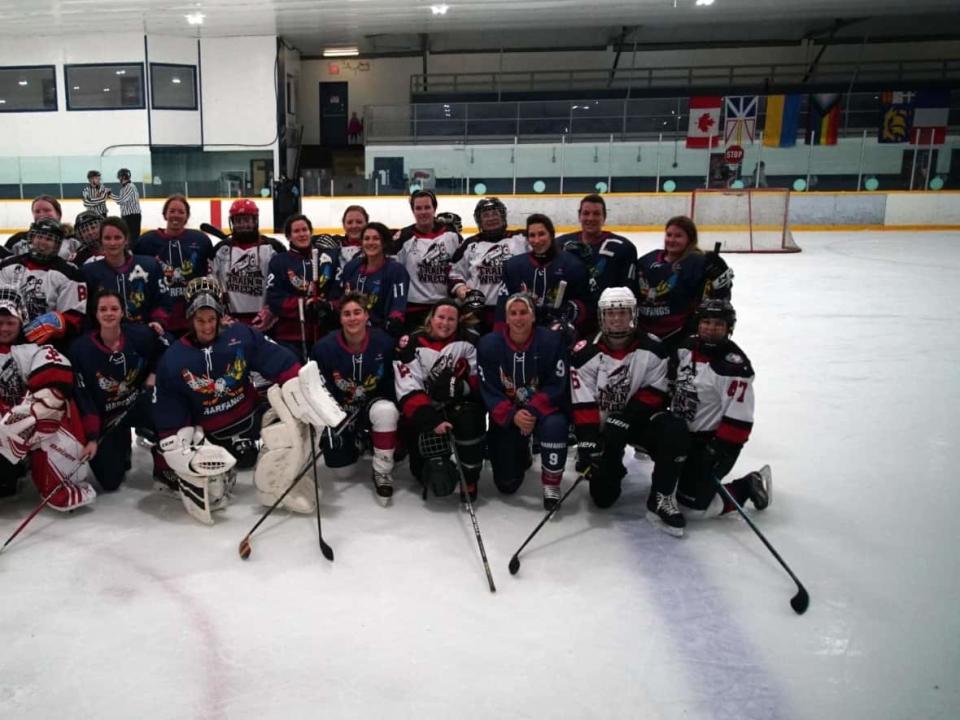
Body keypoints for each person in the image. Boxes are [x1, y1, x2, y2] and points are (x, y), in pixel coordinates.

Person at [154, 276, 340, 523]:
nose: (207, 327)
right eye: (200, 321)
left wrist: (308, 397)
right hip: (211, 432)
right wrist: (178, 450)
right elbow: (170, 415)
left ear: (221, 315)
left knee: (290, 428)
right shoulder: (174, 359)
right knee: (214, 494)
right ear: (190, 318)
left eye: (212, 319)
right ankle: (203, 477)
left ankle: (277, 487)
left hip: (249, 417)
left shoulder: (240, 335)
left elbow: (281, 363)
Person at [570, 287, 688, 536]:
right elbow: (583, 402)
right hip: (604, 427)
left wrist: (628, 416)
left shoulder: (653, 348)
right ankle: (612, 465)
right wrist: (588, 443)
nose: (616, 319)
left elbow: (657, 392)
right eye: (611, 314)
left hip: (638, 420)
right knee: (602, 498)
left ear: (633, 314)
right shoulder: (585, 352)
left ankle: (662, 495)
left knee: (674, 429)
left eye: (622, 313)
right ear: (602, 316)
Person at [670, 299, 770, 521]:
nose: (711, 328)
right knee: (668, 489)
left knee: (692, 509)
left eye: (718, 324)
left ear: (728, 328)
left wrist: (717, 450)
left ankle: (746, 486)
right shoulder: (686, 347)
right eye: (706, 321)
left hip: (710, 443)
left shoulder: (733, 367)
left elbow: (740, 419)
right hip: (683, 435)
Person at [0, 287, 96, 510]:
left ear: (21, 321)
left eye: (10, 322)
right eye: (0, 322)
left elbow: (55, 389)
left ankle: (53, 478)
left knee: (50, 405)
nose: (4, 328)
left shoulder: (35, 348)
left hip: (35, 432)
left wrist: (25, 419)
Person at [478, 292, 569, 510]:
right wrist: (512, 415)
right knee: (506, 485)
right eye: (513, 313)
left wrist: (531, 410)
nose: (518, 318)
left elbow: (557, 383)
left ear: (533, 316)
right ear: (506, 318)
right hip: (510, 412)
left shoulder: (552, 341)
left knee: (556, 425)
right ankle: (521, 451)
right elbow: (489, 388)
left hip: (542, 410)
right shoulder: (488, 344)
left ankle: (551, 484)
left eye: (524, 312)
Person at [70, 289, 165, 492]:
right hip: (109, 417)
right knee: (110, 481)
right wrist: (93, 437)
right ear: (95, 314)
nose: (109, 313)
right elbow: (84, 397)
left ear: (123, 312)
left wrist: (155, 373)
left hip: (138, 403)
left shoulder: (140, 335)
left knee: (164, 416)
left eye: (114, 308)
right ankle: (121, 447)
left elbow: (166, 349)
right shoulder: (80, 350)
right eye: (103, 309)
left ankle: (166, 467)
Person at [310, 292, 399, 503]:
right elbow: (318, 388)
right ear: (340, 318)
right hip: (340, 411)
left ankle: (382, 470)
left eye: (357, 312)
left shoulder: (384, 343)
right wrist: (333, 417)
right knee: (343, 473)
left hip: (372, 405)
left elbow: (391, 383)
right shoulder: (323, 348)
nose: (352, 318)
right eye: (347, 314)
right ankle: (358, 442)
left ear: (367, 315)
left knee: (386, 411)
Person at [394, 300, 485, 502]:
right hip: (424, 412)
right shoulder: (411, 343)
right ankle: (438, 462)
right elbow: (407, 390)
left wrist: (462, 387)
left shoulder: (469, 341)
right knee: (427, 477)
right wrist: (432, 421)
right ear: (431, 318)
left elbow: (480, 381)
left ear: (458, 320)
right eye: (440, 317)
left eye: (451, 318)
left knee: (470, 417)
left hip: (457, 406)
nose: (445, 323)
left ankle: (469, 478)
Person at [635, 215, 732, 350]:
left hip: (680, 336)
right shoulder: (647, 260)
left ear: (690, 239)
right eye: (669, 235)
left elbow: (720, 299)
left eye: (678, 236)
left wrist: (719, 279)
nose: (671, 240)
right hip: (645, 333)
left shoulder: (699, 263)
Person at [556, 194, 637, 334]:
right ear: (579, 216)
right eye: (586, 213)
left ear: (604, 217)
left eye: (596, 214)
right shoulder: (560, 244)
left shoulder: (623, 248)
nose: (591, 218)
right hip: (569, 318)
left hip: (606, 320)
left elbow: (628, 290)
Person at [134, 195, 215, 337]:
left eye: (181, 212)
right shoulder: (146, 242)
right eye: (172, 211)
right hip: (159, 317)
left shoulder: (201, 240)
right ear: (165, 214)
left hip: (193, 315)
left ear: (187, 216)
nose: (176, 215)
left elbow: (212, 270)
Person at [0, 218, 87, 349]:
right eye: (39, 236)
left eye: (49, 239)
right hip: (6, 337)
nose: (42, 242)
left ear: (57, 245)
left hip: (48, 345)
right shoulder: (8, 265)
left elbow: (74, 317)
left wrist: (54, 324)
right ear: (31, 238)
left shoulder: (69, 273)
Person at [498, 213, 588, 336]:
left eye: (541, 234)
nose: (537, 240)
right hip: (523, 335)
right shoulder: (513, 266)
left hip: (560, 335)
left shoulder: (572, 265)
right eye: (532, 235)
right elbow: (503, 305)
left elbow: (585, 303)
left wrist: (572, 311)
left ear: (551, 235)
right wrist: (500, 336)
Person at [448, 197, 528, 333]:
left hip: (516, 311)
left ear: (503, 216)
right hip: (479, 314)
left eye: (495, 214)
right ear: (479, 220)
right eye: (486, 215)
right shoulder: (470, 244)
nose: (491, 218)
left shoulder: (521, 238)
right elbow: (453, 272)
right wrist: (461, 289)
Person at [265, 213, 338, 360]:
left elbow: (338, 292)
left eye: (305, 230)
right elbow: (274, 299)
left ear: (310, 232)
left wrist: (326, 306)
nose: (302, 234)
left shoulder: (327, 259)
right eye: (296, 231)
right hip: (289, 336)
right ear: (288, 236)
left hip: (324, 333)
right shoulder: (279, 262)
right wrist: (303, 305)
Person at [82, 217, 168, 330]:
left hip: (143, 333)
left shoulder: (150, 266)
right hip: (105, 337)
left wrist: (158, 321)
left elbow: (163, 299)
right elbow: (86, 311)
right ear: (101, 241)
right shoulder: (88, 272)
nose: (112, 243)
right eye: (107, 238)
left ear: (126, 240)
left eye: (117, 237)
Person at [210, 199, 285, 327]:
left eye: (247, 220)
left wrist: (272, 311)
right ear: (232, 223)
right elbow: (212, 283)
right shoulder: (220, 250)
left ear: (255, 221)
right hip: (231, 321)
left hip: (266, 321)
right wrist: (219, 313)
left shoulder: (273, 247)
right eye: (238, 221)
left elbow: (282, 284)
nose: (243, 225)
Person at [394, 190, 462, 329]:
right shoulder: (404, 237)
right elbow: (394, 273)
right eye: (418, 208)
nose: (423, 212)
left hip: (445, 308)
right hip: (414, 309)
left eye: (427, 207)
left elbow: (460, 268)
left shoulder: (451, 235)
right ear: (413, 210)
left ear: (434, 208)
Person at [340, 221, 409, 336]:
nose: (370, 242)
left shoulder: (396, 270)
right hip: (353, 331)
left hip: (381, 332)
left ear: (384, 242)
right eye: (366, 239)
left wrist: (393, 322)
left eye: (376, 238)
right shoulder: (351, 267)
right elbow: (344, 299)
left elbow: (398, 305)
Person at [315, 205, 368, 273]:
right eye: (349, 222)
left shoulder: (375, 249)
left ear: (366, 224)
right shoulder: (331, 242)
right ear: (343, 225)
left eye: (359, 222)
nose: (354, 226)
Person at [109, 168, 142, 241]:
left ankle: (133, 251)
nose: (119, 179)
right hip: (126, 216)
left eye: (119, 177)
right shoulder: (124, 188)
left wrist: (110, 194)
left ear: (123, 177)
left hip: (132, 217)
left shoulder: (129, 187)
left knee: (133, 238)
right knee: (126, 237)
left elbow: (121, 201)